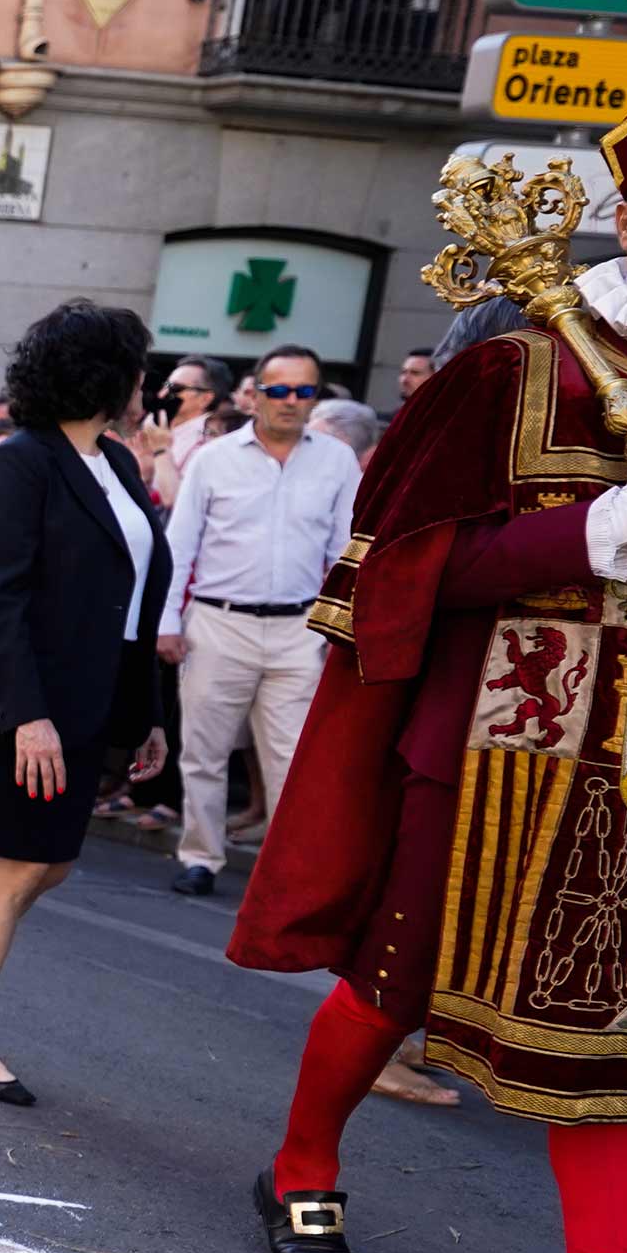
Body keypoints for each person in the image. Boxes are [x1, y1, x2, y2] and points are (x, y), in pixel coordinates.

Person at [223, 117, 627, 1253]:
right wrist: (597, 531)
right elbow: (393, 573)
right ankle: (299, 1162)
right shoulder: (516, 371)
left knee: (612, 1042)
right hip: (499, 750)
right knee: (400, 980)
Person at [0, 301, 173, 1105]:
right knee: (14, 870)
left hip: (90, 700)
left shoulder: (114, 463)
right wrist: (28, 716)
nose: (143, 381)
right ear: (103, 374)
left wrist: (145, 710)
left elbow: (132, 601)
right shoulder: (21, 463)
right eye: (134, 365)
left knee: (47, 866)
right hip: (25, 707)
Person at [157, 345, 358, 900]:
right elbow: (180, 545)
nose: (291, 402)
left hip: (299, 627)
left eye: (304, 391)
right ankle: (200, 856)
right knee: (203, 750)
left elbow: (346, 552)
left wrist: (338, 629)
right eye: (279, 390)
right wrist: (167, 620)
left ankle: (285, 870)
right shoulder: (214, 458)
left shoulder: (337, 460)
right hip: (217, 622)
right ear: (256, 394)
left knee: (293, 757)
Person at [148, 359, 230, 501]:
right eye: (165, 386)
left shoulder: (210, 437)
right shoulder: (160, 428)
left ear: (205, 399)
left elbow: (178, 500)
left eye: (175, 389)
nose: (162, 394)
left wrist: (161, 451)